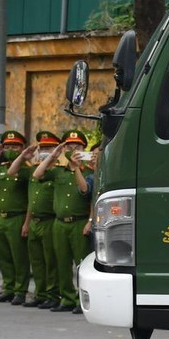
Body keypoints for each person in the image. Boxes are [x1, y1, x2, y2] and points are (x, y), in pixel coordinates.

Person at [48, 131, 94, 313]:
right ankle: (67, 298)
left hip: (79, 222)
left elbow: (86, 192)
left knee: (81, 264)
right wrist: (54, 154)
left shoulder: (89, 171)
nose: (73, 149)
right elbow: (38, 173)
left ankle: (80, 300)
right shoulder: (58, 170)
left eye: (77, 147)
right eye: (69, 146)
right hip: (59, 223)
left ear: (84, 149)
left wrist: (76, 168)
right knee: (62, 262)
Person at [0, 130, 31, 303]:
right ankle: (9, 287)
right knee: (4, 256)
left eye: (15, 146)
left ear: (22, 148)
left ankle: (20, 290)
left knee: (19, 257)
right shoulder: (1, 168)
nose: (11, 149)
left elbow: (30, 199)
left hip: (17, 217)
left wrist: (26, 222)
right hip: (2, 218)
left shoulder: (27, 170)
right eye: (8, 146)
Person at [23, 130, 64, 307]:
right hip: (34, 221)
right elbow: (32, 200)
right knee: (37, 261)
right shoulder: (34, 170)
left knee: (50, 261)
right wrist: (26, 223)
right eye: (43, 148)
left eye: (49, 148)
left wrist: (54, 157)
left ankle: (52, 295)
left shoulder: (59, 172)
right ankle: (40, 293)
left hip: (50, 220)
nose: (45, 151)